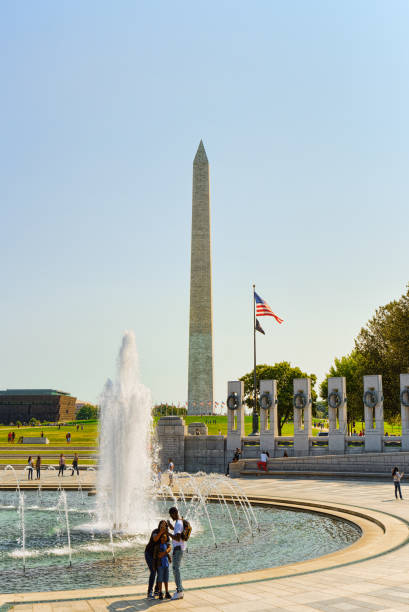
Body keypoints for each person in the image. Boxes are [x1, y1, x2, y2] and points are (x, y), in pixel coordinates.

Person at [145, 520, 168, 599]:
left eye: (165, 525)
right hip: (149, 554)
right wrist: (161, 532)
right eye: (162, 525)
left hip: (158, 556)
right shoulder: (155, 531)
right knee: (153, 571)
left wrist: (165, 553)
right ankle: (149, 592)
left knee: (160, 571)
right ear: (159, 525)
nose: (163, 526)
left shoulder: (166, 534)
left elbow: (169, 546)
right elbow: (155, 539)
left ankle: (156, 590)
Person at [167, 507, 185, 599]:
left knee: (175, 569)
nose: (171, 517)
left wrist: (168, 533)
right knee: (176, 569)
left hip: (178, 549)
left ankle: (179, 591)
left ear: (174, 513)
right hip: (180, 548)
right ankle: (180, 589)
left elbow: (177, 538)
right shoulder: (180, 521)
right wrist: (171, 528)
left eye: (171, 515)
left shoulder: (178, 523)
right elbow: (178, 533)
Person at [154, 532, 172, 600]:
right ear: (160, 538)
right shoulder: (158, 546)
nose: (163, 539)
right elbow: (155, 556)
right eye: (162, 537)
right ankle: (160, 592)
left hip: (166, 564)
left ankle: (167, 592)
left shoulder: (166, 545)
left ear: (166, 538)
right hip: (160, 565)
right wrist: (154, 565)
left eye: (164, 537)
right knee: (160, 579)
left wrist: (169, 558)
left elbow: (166, 553)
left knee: (166, 579)